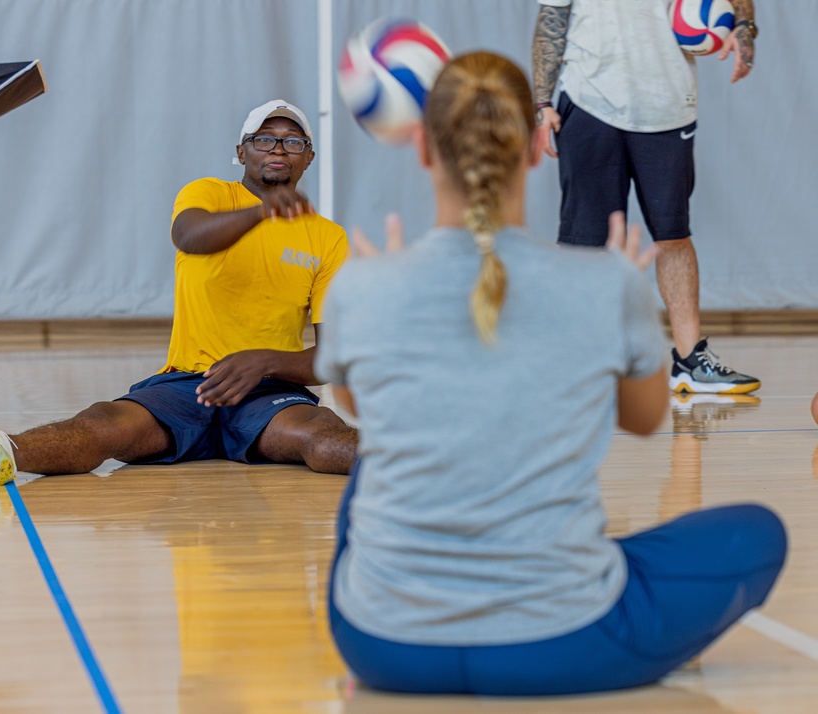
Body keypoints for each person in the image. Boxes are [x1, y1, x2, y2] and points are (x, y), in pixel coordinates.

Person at [314, 51, 785, 696]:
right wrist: (624, 302)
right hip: (564, 644)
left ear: (422, 147)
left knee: (383, 459)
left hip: (382, 646)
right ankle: (583, 598)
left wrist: (380, 301)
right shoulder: (602, 284)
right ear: (540, 145)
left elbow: (363, 404)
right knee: (758, 534)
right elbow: (647, 420)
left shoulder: (360, 287)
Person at [0, 100, 358, 485]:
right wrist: (263, 211)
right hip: (188, 384)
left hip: (269, 392)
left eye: (292, 142)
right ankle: (1, 448)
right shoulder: (208, 193)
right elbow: (189, 236)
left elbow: (332, 358)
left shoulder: (328, 239)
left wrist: (265, 361)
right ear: (241, 152)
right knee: (104, 424)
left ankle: (414, 463)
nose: (278, 149)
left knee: (320, 440)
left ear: (309, 158)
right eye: (265, 139)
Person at [531, 0, 761, 394]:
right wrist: (542, 101)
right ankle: (571, 361)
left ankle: (690, 363)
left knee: (673, 236)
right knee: (582, 244)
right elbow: (552, 17)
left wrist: (743, 26)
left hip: (668, 106)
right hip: (589, 99)